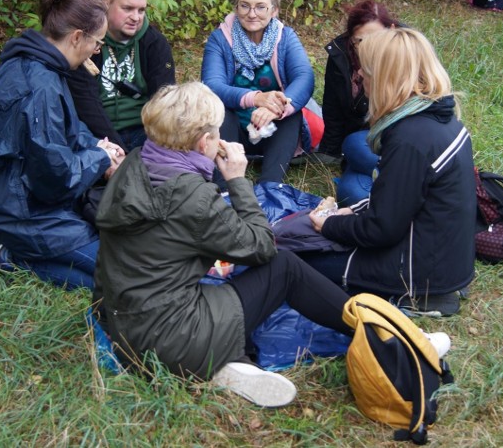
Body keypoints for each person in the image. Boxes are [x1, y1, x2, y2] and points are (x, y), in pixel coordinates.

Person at [93, 82, 354, 407]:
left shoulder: (133, 166)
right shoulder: (192, 195)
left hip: (123, 328)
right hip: (173, 338)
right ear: (204, 143)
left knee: (223, 271)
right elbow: (262, 246)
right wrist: (237, 180)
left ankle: (229, 367)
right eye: (217, 133)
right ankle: (376, 330)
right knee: (283, 267)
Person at [301, 28, 476, 317]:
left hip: (419, 273)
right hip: (443, 259)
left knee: (302, 262)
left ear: (386, 78)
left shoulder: (410, 139)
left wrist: (329, 225)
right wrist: (350, 212)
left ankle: (417, 299)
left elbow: (379, 229)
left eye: (366, 72)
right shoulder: (440, 119)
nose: (359, 78)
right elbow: (399, 200)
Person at [0, 0, 124, 290]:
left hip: (16, 199)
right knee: (117, 276)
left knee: (114, 267)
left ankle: (11, 249)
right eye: (97, 42)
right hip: (24, 212)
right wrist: (99, 158)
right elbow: (55, 177)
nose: (96, 51)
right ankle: (7, 257)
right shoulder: (41, 87)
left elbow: (66, 132)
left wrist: (99, 147)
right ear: (77, 37)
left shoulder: (41, 66)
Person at [201, 0, 315, 185]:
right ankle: (226, 184)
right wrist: (256, 98)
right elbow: (212, 85)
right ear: (236, 7)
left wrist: (275, 107)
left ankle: (270, 185)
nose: (252, 14)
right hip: (232, 132)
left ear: (274, 10)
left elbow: (304, 77)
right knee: (220, 111)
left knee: (292, 113)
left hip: (272, 129)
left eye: (260, 7)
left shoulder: (285, 37)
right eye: (245, 5)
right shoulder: (220, 39)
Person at [66, 0, 176, 152]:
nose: (136, 17)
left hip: (145, 131)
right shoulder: (86, 43)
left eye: (141, 10)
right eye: (128, 8)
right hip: (96, 134)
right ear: (106, 4)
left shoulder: (155, 43)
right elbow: (86, 105)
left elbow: (164, 102)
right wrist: (118, 150)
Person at [315, 0, 399, 204]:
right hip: (366, 140)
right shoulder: (340, 55)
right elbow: (332, 106)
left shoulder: (406, 55)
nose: (368, 47)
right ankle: (393, 182)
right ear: (350, 39)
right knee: (351, 191)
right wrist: (329, 150)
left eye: (376, 38)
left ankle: (405, 178)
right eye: (359, 41)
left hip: (400, 141)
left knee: (356, 148)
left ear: (392, 30)